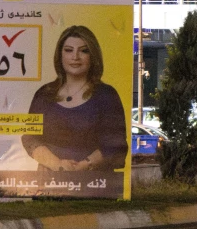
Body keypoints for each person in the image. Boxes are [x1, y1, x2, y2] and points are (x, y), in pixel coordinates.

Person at [21, 26, 128, 173]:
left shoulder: (107, 95)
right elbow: (30, 138)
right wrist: (57, 164)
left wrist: (85, 165)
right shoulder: (44, 94)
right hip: (48, 184)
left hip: (97, 184)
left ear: (93, 56)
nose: (75, 57)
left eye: (84, 51)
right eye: (69, 50)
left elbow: (116, 145)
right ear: (60, 55)